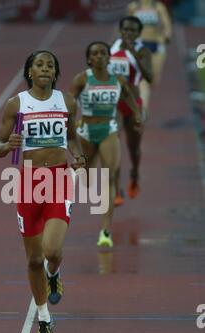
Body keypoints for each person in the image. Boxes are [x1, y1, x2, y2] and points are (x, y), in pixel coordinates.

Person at [0, 50, 85, 333]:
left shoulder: (66, 102)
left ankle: (54, 272)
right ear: (30, 71)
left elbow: (72, 136)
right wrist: (8, 145)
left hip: (58, 178)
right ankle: (45, 319)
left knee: (52, 250)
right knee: (33, 258)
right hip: (29, 182)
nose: (45, 68)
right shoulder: (16, 104)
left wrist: (79, 154)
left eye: (50, 65)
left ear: (55, 72)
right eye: (39, 64)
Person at [69, 41, 141, 248]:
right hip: (86, 132)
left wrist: (136, 115)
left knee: (108, 178)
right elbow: (69, 102)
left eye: (103, 53)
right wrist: (72, 121)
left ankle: (105, 231)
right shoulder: (82, 79)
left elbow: (128, 96)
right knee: (88, 182)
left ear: (109, 58)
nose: (99, 56)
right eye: (95, 53)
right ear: (89, 59)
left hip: (109, 129)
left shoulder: (117, 80)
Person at [110, 16, 153, 203]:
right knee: (115, 146)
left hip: (134, 104)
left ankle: (134, 175)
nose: (128, 33)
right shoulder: (111, 49)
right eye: (125, 30)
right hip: (115, 105)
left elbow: (150, 77)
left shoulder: (143, 51)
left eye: (132, 31)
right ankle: (117, 189)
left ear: (138, 34)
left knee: (133, 148)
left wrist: (134, 55)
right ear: (120, 31)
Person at [127, 0, 172, 110]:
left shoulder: (158, 7)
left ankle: (144, 97)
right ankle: (143, 108)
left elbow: (166, 23)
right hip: (141, 45)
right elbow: (127, 24)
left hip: (156, 45)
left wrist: (166, 35)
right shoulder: (133, 7)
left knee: (154, 79)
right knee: (144, 79)